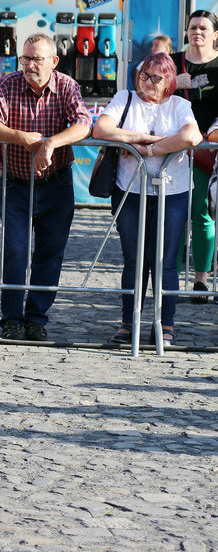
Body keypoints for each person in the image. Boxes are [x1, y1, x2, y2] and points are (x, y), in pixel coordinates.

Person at [0, 32, 93, 341]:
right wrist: (20, 137)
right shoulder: (6, 84)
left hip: (57, 183)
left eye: (36, 59)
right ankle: (11, 319)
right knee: (15, 251)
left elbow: (84, 123)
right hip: (15, 184)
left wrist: (50, 143)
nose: (29, 65)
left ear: (54, 61)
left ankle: (37, 318)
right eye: (25, 58)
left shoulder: (67, 86)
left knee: (50, 252)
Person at [94, 53, 201, 346]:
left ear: (169, 81)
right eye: (144, 75)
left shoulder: (179, 105)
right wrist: (137, 139)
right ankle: (129, 323)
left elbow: (192, 137)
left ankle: (166, 325)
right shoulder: (124, 97)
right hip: (130, 190)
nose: (148, 82)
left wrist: (151, 150)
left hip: (173, 191)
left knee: (166, 261)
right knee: (134, 259)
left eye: (156, 77)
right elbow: (101, 129)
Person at [171, 11, 218, 302]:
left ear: (216, 34)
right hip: (173, 149)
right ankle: (170, 278)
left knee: (201, 212)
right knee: (174, 215)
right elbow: (145, 92)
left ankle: (201, 279)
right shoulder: (170, 62)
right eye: (192, 27)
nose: (197, 32)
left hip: (208, 152)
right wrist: (173, 83)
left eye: (203, 28)